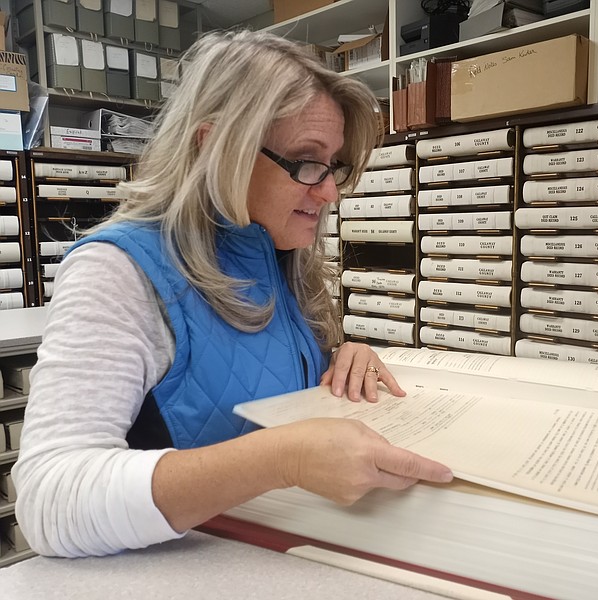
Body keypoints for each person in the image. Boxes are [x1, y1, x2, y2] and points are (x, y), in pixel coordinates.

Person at [12, 30, 453, 559]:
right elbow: (49, 502)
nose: (330, 190)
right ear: (215, 148)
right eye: (306, 162)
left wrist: (338, 358)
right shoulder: (118, 270)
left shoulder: (279, 254)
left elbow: (248, 380)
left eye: (333, 165)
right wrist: (280, 458)